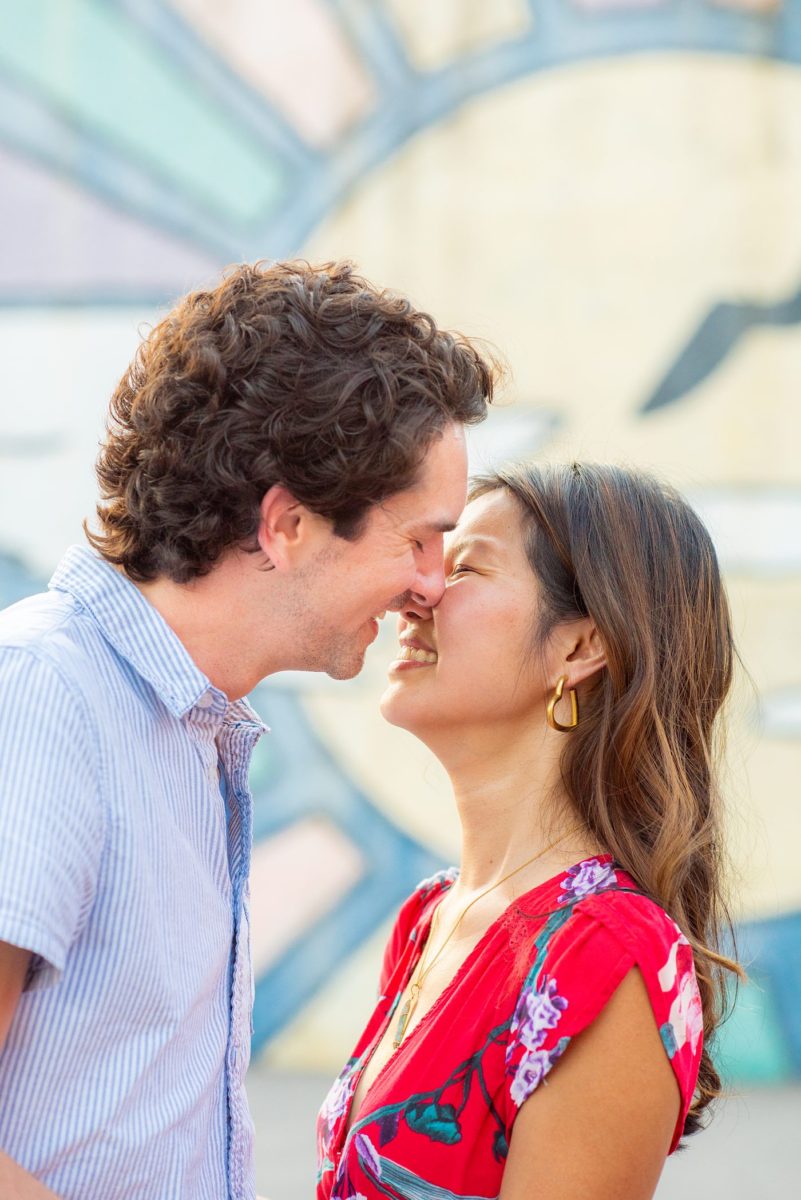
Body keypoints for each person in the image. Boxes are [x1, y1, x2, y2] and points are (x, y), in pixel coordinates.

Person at [0, 260, 495, 1200]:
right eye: (418, 540)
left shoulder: (184, 727)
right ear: (288, 525)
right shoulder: (42, 696)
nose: (433, 584)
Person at [317, 461, 744, 1200]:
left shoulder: (608, 958)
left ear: (579, 648)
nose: (412, 594)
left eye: (466, 568)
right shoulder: (432, 916)